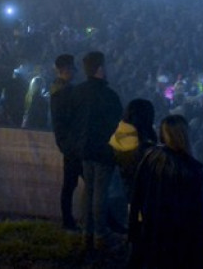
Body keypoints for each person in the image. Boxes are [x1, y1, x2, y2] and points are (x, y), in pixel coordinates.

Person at [128, 114, 203, 269]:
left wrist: (135, 228)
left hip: (151, 227)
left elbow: (137, 193)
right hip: (178, 236)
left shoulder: (150, 156)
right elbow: (197, 212)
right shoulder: (190, 170)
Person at [70, 50, 123, 254]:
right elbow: (118, 123)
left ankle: (87, 234)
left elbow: (71, 120)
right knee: (100, 193)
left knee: (88, 190)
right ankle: (100, 235)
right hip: (103, 151)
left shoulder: (77, 92)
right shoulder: (109, 96)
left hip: (84, 150)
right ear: (100, 69)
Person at [49, 53, 81, 230]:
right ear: (66, 70)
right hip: (73, 144)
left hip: (68, 143)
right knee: (74, 184)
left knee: (70, 184)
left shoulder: (57, 90)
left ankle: (68, 221)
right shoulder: (65, 92)